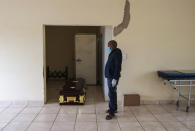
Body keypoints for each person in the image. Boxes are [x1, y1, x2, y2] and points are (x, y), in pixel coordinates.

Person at [105, 40, 122, 120]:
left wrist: (115, 79)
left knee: (111, 94)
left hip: (112, 77)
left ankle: (111, 113)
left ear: (112, 46)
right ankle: (114, 108)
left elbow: (117, 67)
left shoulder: (116, 53)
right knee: (113, 93)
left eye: (109, 46)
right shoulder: (113, 52)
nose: (108, 47)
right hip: (110, 76)